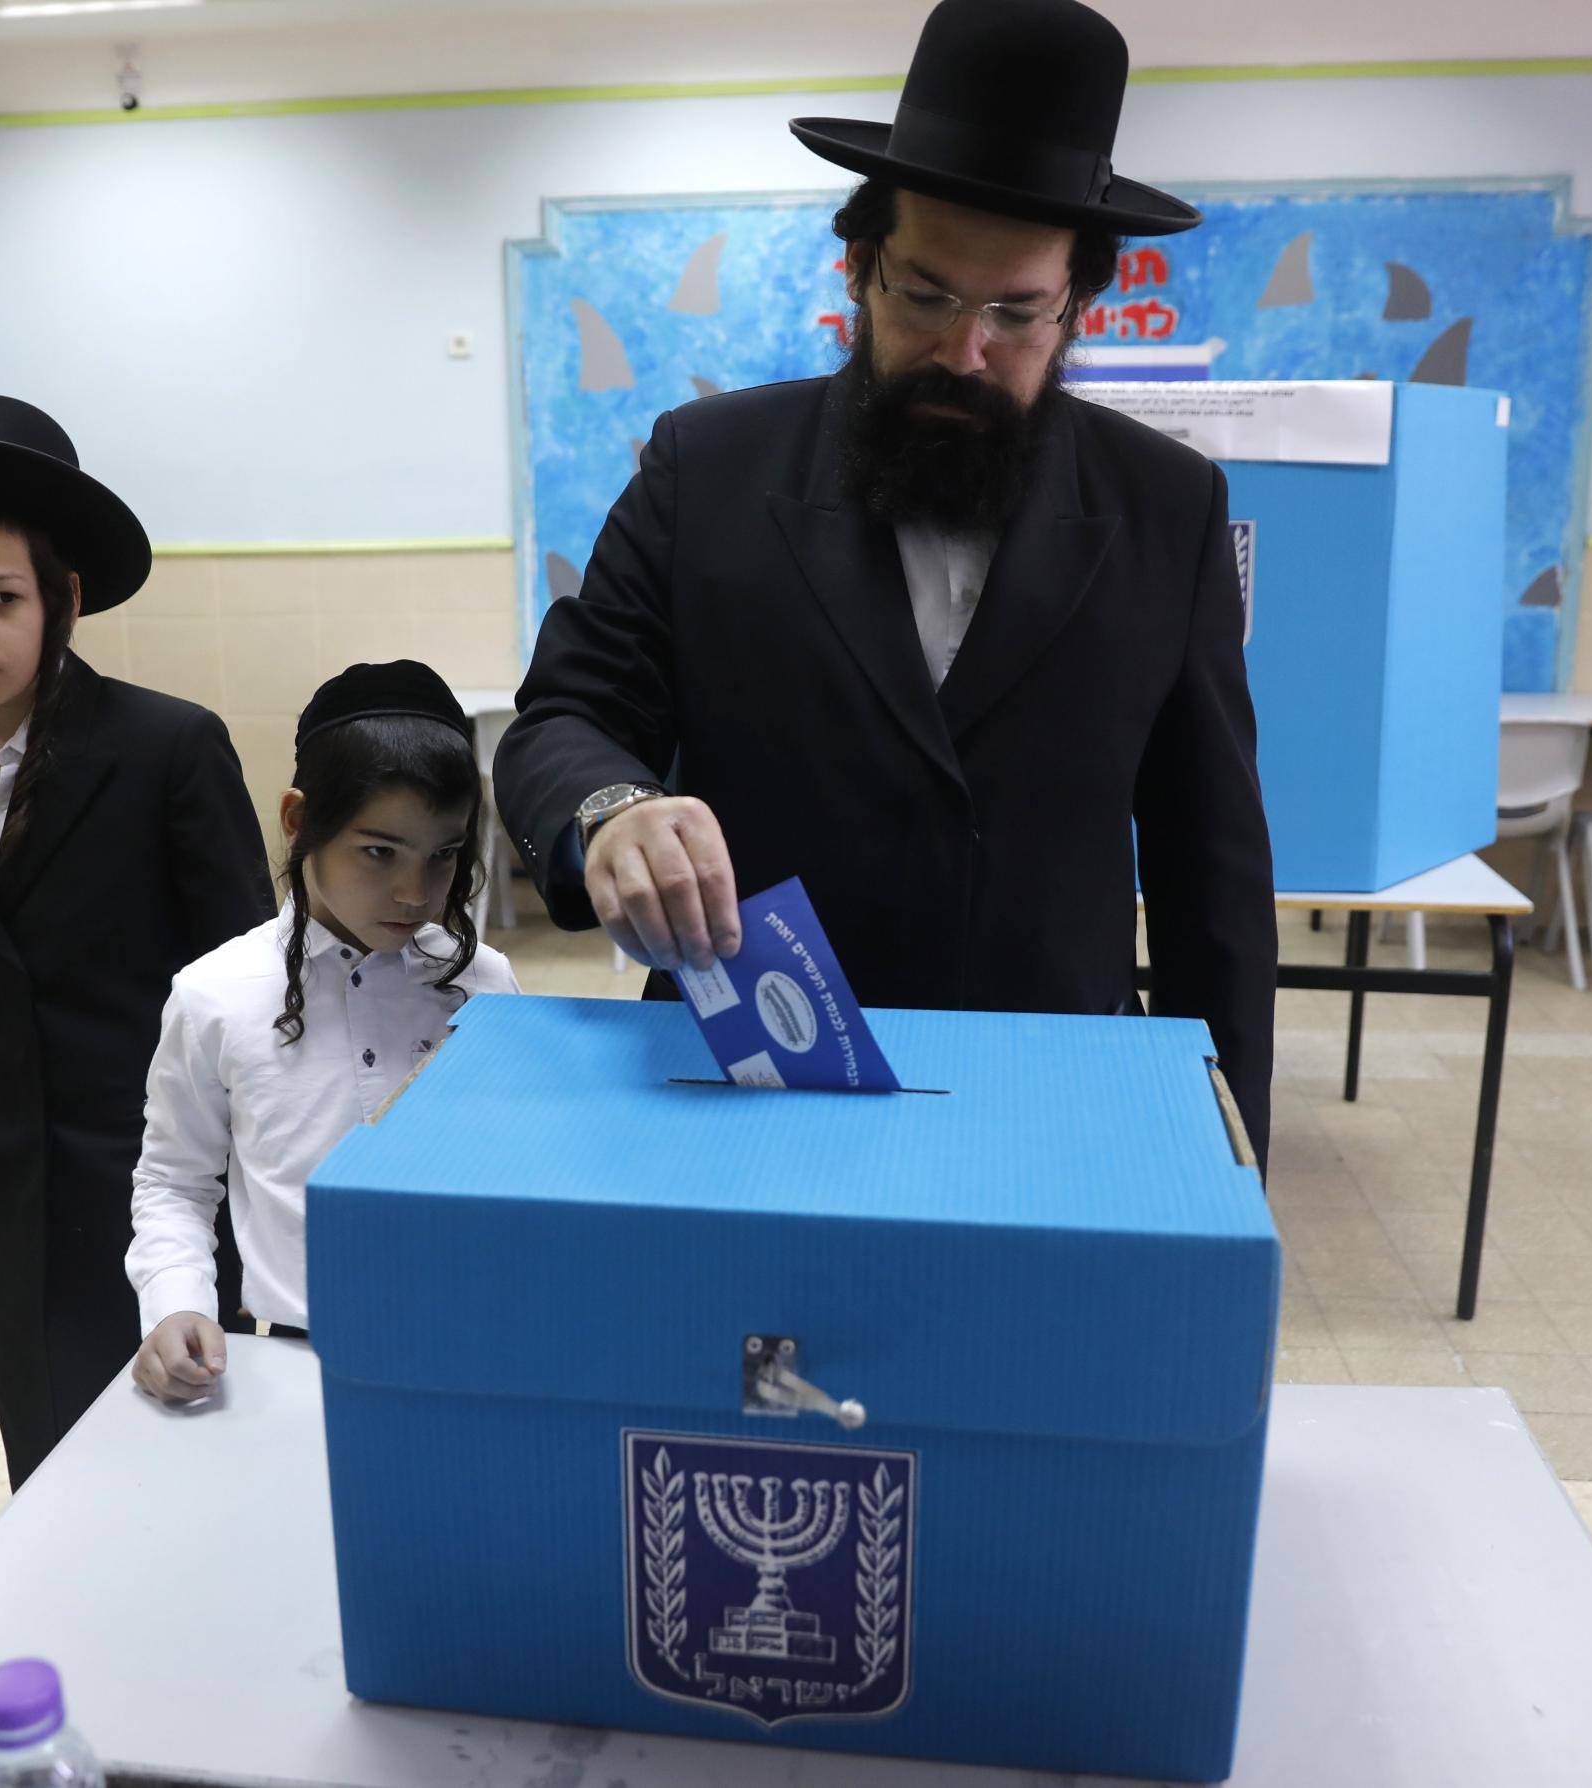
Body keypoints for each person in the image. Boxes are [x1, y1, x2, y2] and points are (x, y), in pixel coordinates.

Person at [493, 0, 1276, 1162]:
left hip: (1046, 1093)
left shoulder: (1167, 506)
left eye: (1015, 312)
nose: (965, 350)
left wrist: (1228, 1152)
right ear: (858, 270)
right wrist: (612, 811)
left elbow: (1211, 865)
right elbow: (566, 717)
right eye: (924, 294)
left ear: (1076, 308)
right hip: (747, 1078)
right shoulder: (706, 467)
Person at [0, 395, 275, 1487]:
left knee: (179, 1420)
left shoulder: (167, 747)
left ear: (64, 601)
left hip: (158, 1158)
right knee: (39, 1414)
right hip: (11, 1164)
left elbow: (243, 968)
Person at [126, 663, 521, 1401]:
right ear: (298, 821)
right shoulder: (215, 995)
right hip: (296, 1367)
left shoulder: (484, 982)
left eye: (443, 855)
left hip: (470, 1349)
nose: (414, 891)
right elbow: (174, 1181)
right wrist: (175, 1300)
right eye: (380, 851)